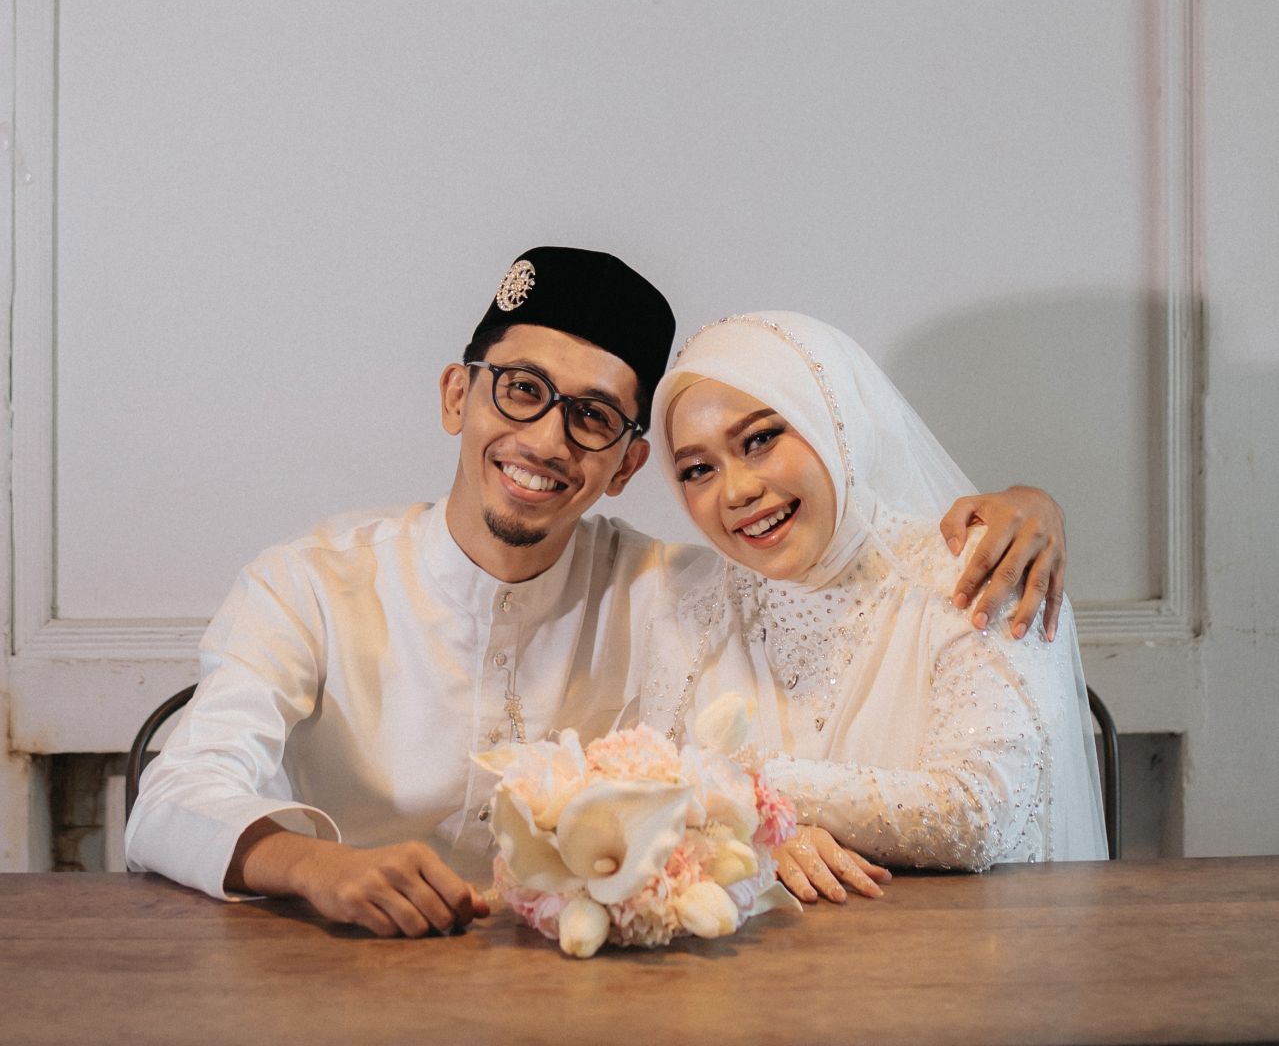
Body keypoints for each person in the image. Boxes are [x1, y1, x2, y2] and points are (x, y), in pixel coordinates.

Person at [126, 249, 1075, 936]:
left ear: (625, 465)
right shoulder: (309, 583)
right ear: (458, 396)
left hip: (590, 989)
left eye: (591, 418)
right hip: (340, 971)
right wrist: (317, 869)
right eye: (519, 390)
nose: (545, 441)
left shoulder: (678, 591)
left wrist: (1026, 509)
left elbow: (841, 575)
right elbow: (176, 794)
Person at [646, 311, 1108, 905]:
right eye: (698, 469)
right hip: (763, 953)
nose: (736, 491)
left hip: (963, 946)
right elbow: (651, 808)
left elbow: (981, 812)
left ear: (832, 418)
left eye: (759, 439)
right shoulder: (690, 611)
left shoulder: (979, 564)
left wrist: (750, 792)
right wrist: (762, 842)